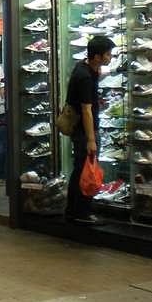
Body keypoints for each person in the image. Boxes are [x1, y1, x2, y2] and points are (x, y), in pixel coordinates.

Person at [64, 35, 115, 225]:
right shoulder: (84, 76)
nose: (110, 57)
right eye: (107, 54)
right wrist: (91, 139)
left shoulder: (85, 68)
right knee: (85, 170)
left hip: (82, 131)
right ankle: (82, 212)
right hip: (84, 132)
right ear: (97, 56)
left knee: (80, 169)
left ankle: (73, 211)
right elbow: (86, 110)